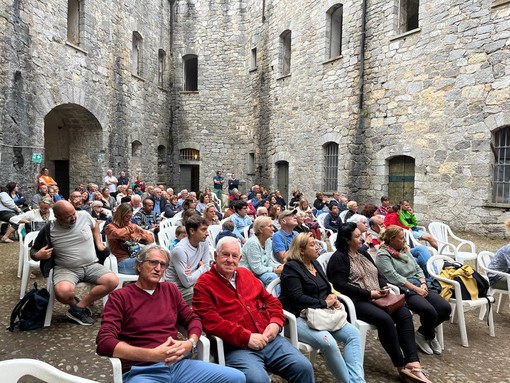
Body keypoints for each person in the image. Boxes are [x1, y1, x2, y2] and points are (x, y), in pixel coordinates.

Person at [96, 244, 245, 383]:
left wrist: (190, 343)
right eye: (153, 262)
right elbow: (104, 342)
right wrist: (151, 355)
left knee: (237, 378)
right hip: (142, 371)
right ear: (139, 265)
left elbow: (192, 318)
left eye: (163, 265)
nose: (158, 268)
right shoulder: (120, 297)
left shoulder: (170, 290)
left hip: (179, 366)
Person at [192, 236, 315, 383]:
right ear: (215, 255)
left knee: (304, 367)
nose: (230, 260)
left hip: (270, 339)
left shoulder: (245, 274)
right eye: (225, 254)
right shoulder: (204, 284)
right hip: (237, 347)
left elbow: (272, 301)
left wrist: (276, 322)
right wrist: (247, 337)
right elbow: (211, 321)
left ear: (240, 258)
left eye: (235, 256)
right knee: (258, 379)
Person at [326, 222, 431, 383]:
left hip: (378, 296)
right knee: (385, 320)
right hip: (356, 301)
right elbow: (340, 286)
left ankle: (413, 361)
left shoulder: (363, 254)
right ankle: (401, 365)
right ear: (347, 240)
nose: (361, 238)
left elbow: (378, 273)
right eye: (357, 236)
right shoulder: (339, 258)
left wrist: (382, 286)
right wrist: (369, 293)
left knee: (403, 313)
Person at [280, 232, 365, 383]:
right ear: (301, 250)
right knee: (329, 343)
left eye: (317, 243)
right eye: (312, 245)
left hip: (321, 315)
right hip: (297, 317)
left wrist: (334, 299)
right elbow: (298, 299)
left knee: (353, 334)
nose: (317, 247)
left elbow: (326, 288)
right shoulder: (291, 268)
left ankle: (357, 380)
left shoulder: (315, 263)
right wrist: (325, 303)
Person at [30, 200, 119, 325]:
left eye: (73, 214)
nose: (73, 218)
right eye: (68, 216)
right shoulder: (49, 229)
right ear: (57, 217)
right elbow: (33, 251)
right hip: (66, 268)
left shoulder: (84, 215)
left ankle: (78, 308)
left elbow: (95, 226)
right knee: (62, 293)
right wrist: (38, 255)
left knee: (112, 281)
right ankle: (74, 304)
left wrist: (98, 242)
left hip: (91, 265)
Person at [376, 225, 451, 356]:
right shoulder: (383, 254)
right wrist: (416, 288)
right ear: (392, 239)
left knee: (445, 308)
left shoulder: (405, 250)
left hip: (419, 284)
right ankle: (431, 335)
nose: (404, 240)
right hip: (405, 289)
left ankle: (422, 333)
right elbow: (393, 276)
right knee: (429, 312)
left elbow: (418, 268)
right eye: (401, 238)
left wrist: (423, 283)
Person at [165, 215, 210, 305]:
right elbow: (186, 282)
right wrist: (201, 269)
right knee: (208, 293)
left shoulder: (204, 242)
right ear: (192, 231)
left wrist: (199, 270)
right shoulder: (180, 250)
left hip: (194, 282)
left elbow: (207, 267)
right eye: (203, 230)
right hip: (176, 288)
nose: (207, 233)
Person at [105, 204, 154, 275]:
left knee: (156, 257)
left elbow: (151, 239)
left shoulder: (131, 226)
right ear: (120, 215)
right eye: (127, 216)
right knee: (150, 263)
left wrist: (141, 236)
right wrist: (131, 228)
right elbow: (118, 234)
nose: (129, 219)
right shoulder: (110, 227)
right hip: (122, 261)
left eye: (130, 217)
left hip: (136, 257)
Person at [240, 216, 282, 291]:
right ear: (261, 229)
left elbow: (268, 261)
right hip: (249, 273)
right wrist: (275, 270)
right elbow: (257, 268)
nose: (273, 228)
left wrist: (279, 266)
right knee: (272, 277)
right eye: (270, 226)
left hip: (261, 272)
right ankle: (275, 300)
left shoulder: (268, 240)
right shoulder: (252, 243)